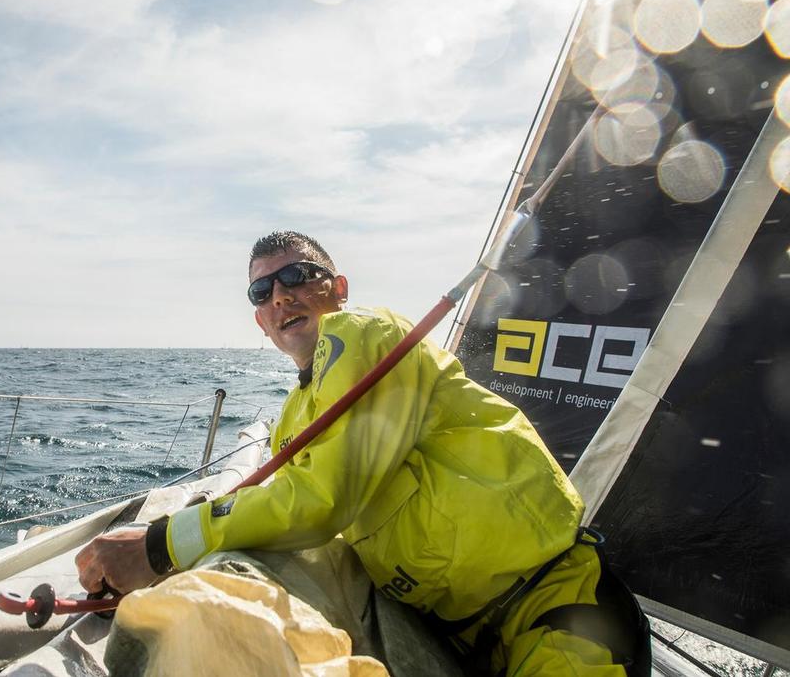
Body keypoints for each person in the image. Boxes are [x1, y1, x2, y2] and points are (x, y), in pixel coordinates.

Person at [76, 231, 649, 676]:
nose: (282, 295)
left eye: (299, 276)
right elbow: (285, 512)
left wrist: (159, 543)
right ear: (260, 319)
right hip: (446, 640)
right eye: (263, 291)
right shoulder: (294, 418)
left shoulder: (366, 335)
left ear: (339, 288)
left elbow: (319, 502)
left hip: (556, 614)